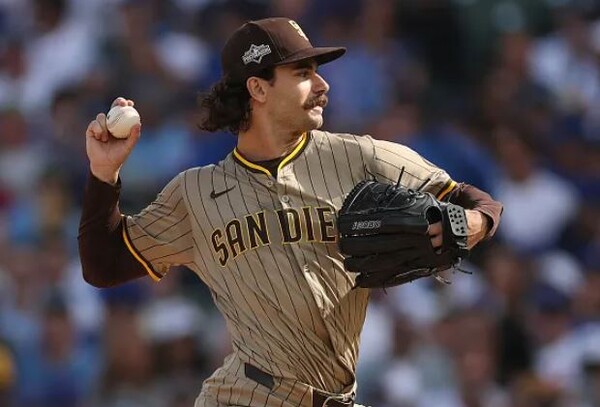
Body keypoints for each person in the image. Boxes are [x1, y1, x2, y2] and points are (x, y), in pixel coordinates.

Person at [79, 17, 503, 407]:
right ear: (258, 88)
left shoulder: (359, 157)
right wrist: (103, 174)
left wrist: (473, 223)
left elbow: (477, 201)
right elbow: (104, 265)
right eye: (303, 73)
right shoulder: (195, 192)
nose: (322, 84)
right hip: (245, 397)